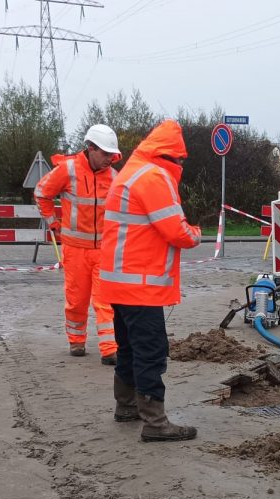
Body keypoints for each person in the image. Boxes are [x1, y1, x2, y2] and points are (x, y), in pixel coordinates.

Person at [97, 119, 203, 441]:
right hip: (140, 286)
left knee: (128, 348)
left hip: (120, 284)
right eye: (181, 160)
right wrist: (196, 234)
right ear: (171, 156)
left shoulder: (130, 172)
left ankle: (125, 406)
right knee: (151, 351)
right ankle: (155, 423)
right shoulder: (153, 177)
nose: (181, 166)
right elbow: (177, 231)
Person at [35, 124, 122, 364]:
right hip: (75, 249)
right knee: (77, 299)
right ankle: (76, 341)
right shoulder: (68, 170)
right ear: (91, 148)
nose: (109, 159)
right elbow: (42, 193)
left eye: (111, 154)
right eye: (105, 154)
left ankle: (109, 349)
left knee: (105, 300)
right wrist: (53, 224)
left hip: (104, 249)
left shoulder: (114, 178)